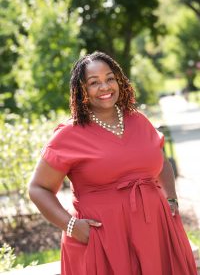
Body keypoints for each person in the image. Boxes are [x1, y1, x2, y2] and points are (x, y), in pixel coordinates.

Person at [29, 51, 197, 275]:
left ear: (119, 81)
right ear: (82, 90)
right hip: (103, 238)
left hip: (155, 231)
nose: (105, 87)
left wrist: (171, 198)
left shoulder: (138, 120)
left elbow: (160, 159)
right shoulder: (69, 134)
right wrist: (71, 226)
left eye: (109, 78)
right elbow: (38, 188)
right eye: (94, 82)